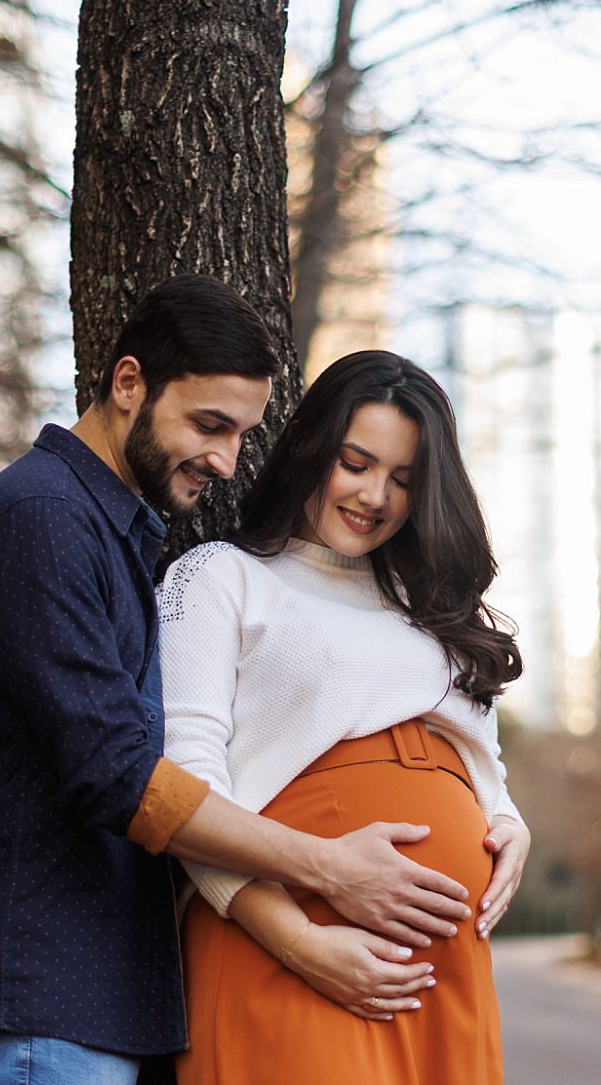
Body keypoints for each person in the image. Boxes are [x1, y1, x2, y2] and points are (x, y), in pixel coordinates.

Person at [0, 286, 474, 1085]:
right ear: (129, 383)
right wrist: (326, 869)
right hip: (37, 999)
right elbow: (120, 777)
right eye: (210, 425)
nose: (225, 461)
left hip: (92, 1004)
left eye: (242, 435)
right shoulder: (43, 517)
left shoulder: (109, 531)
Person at [159, 350, 531, 1085]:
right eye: (356, 463)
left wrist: (509, 824)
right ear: (310, 446)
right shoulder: (222, 577)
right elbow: (181, 787)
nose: (375, 496)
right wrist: (296, 938)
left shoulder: (434, 610)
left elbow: (483, 766)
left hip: (442, 976)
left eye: (403, 478)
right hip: (291, 947)